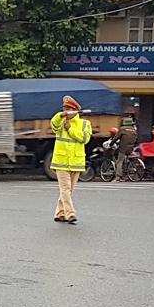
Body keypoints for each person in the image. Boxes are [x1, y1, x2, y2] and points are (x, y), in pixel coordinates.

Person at [50, 95, 92, 224]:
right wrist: (60, 115)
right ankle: (70, 213)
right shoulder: (60, 122)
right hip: (61, 161)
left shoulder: (85, 123)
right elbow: (53, 123)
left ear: (74, 110)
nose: (65, 111)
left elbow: (85, 139)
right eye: (64, 108)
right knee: (65, 189)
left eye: (67, 108)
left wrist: (71, 129)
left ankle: (60, 213)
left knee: (69, 190)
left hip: (76, 162)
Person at [111, 116, 138, 181]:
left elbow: (116, 138)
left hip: (123, 148)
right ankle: (125, 175)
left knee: (119, 162)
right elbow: (136, 139)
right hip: (130, 148)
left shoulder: (122, 129)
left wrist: (111, 143)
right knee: (125, 161)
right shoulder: (134, 130)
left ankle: (118, 176)